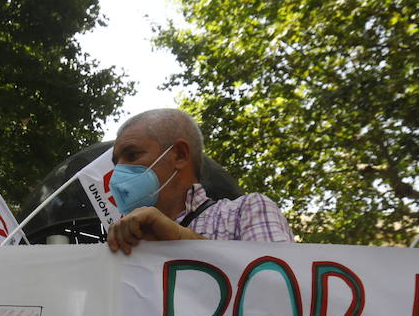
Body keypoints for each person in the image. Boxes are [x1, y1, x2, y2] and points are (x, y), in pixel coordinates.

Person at [104, 108, 294, 254]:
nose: (117, 174)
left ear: (180, 155)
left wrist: (180, 238)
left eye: (132, 155)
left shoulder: (245, 211)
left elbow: (277, 289)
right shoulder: (124, 241)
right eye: (116, 164)